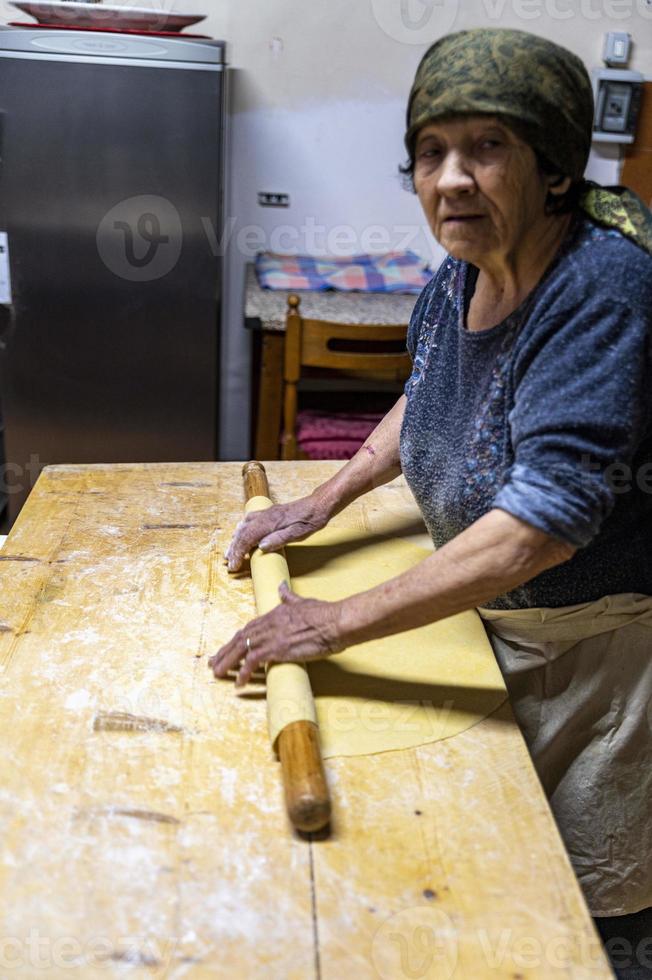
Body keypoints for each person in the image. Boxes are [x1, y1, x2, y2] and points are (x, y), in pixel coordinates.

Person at [209, 27, 652, 950]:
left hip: (586, 660)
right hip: (482, 622)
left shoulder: (600, 289)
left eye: (489, 146)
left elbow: (542, 527)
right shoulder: (466, 265)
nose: (453, 177)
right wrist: (324, 501)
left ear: (556, 167)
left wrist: (329, 622)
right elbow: (428, 392)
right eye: (431, 150)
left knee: (563, 909)